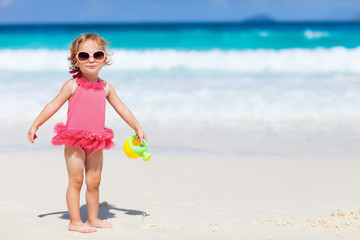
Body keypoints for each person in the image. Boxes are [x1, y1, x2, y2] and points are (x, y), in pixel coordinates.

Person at [27, 33, 147, 233]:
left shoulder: (107, 88)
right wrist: (35, 124)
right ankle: (75, 221)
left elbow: (122, 108)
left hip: (97, 140)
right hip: (74, 140)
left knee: (94, 181)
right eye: (84, 56)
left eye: (97, 55)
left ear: (104, 58)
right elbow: (53, 105)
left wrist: (137, 127)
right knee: (76, 181)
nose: (91, 60)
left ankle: (92, 218)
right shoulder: (71, 85)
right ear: (76, 60)